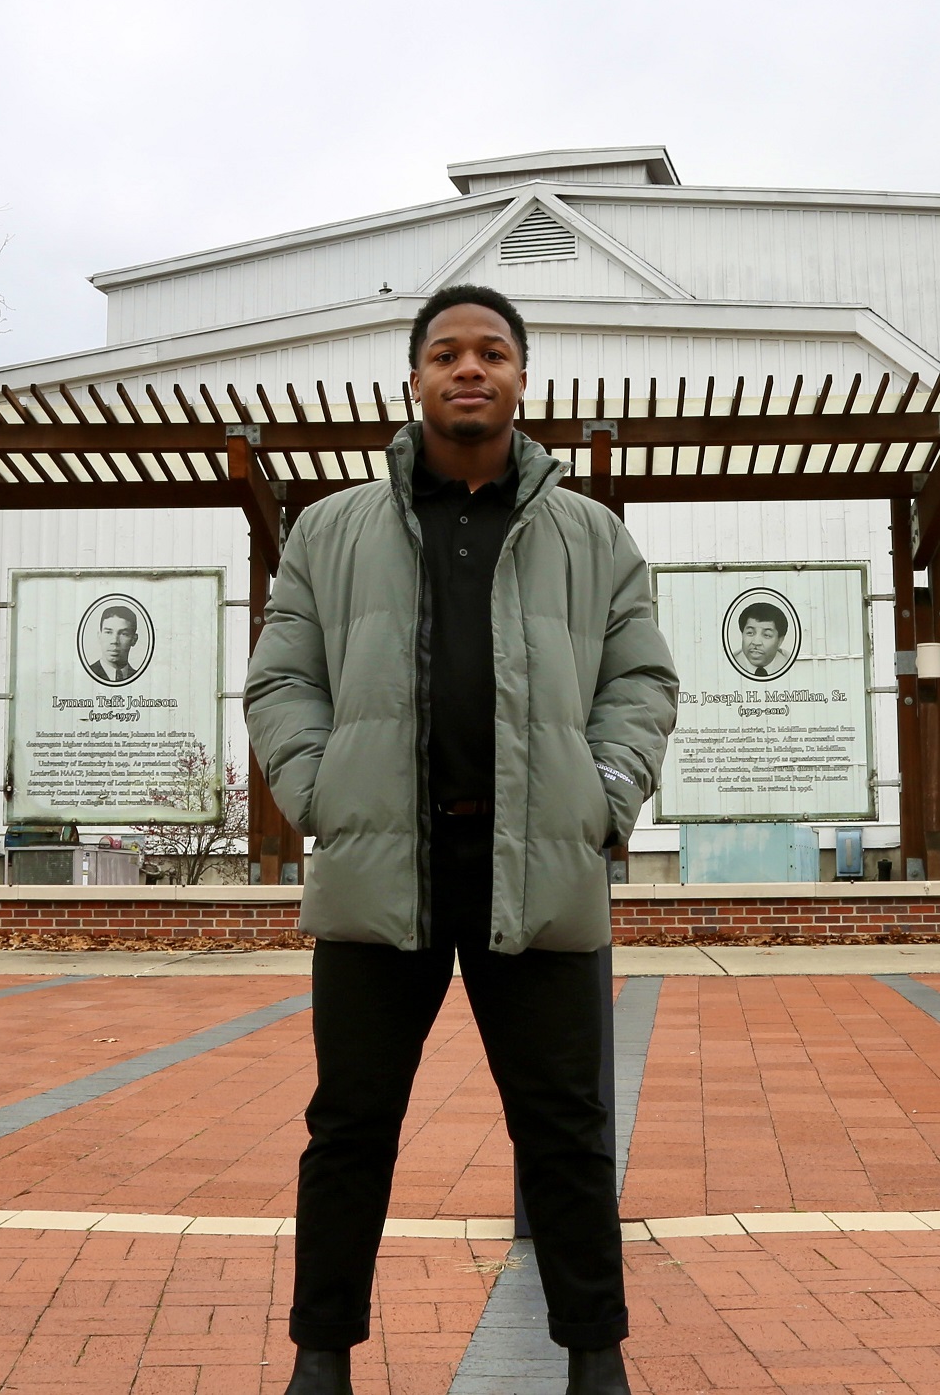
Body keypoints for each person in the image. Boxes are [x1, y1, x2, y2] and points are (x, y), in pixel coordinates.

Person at [246, 284, 677, 1395]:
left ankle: (596, 1355)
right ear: (415, 378)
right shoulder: (330, 532)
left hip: (535, 871)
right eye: (446, 353)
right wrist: (322, 793)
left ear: (524, 377)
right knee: (348, 1126)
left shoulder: (593, 538)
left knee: (567, 1128)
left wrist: (603, 794)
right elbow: (282, 679)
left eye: (492, 351)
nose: (468, 369)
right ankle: (321, 1356)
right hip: (382, 868)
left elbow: (640, 683)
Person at [84, 602, 141, 685]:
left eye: (123, 634)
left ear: (134, 639)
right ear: (99, 636)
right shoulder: (85, 675)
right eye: (108, 632)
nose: (114, 641)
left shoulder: (141, 678)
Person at [734, 599, 789, 677]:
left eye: (767, 635)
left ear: (780, 641)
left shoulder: (793, 664)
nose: (756, 642)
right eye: (750, 633)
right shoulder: (726, 663)